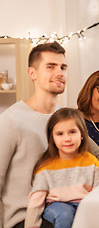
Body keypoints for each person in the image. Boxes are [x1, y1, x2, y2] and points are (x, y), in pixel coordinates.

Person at [0, 42, 67, 228]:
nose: (59, 72)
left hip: (61, 209)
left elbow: (94, 155)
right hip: (25, 219)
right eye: (50, 67)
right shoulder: (10, 121)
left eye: (63, 67)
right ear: (32, 73)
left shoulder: (66, 118)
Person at [25, 108, 99, 228]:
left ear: (82, 135)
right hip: (57, 205)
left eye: (72, 132)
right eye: (60, 134)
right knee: (65, 215)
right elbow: (36, 202)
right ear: (52, 138)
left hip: (84, 203)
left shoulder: (90, 161)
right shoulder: (46, 168)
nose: (67, 139)